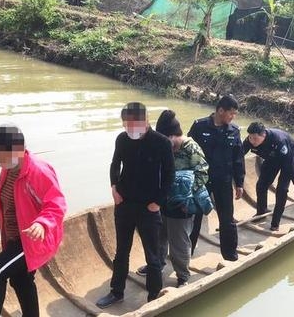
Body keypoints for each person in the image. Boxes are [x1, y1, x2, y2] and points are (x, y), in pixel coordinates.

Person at [0, 124, 67, 317]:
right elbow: (0, 196)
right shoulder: (9, 170)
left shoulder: (39, 171)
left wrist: (42, 223)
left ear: (17, 150)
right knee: (21, 280)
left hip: (33, 241)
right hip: (16, 238)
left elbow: (56, 205)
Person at [96, 102, 175, 308]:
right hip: (124, 203)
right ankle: (116, 291)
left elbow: (169, 175)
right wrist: (114, 188)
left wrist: (158, 202)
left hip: (149, 207)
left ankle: (153, 296)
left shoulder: (161, 143)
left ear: (146, 120)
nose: (130, 129)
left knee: (152, 254)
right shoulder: (122, 139)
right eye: (126, 125)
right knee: (121, 251)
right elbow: (115, 164)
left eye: (133, 124)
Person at [136, 110, 209, 288]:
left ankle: (183, 275)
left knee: (179, 242)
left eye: (165, 139)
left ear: (174, 135)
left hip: (182, 204)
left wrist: (186, 197)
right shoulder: (163, 146)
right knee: (159, 237)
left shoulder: (191, 148)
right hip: (162, 201)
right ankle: (157, 264)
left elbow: (203, 174)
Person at [188, 95, 245, 261]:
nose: (233, 117)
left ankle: (230, 255)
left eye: (234, 114)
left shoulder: (234, 131)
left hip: (224, 181)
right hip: (201, 181)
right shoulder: (199, 126)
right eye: (231, 113)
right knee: (195, 218)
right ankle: (186, 254)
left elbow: (238, 159)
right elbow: (187, 151)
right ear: (220, 111)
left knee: (227, 219)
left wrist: (239, 182)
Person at [242, 122, 294, 231]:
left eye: (255, 139)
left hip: (289, 157)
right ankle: (261, 212)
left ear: (263, 135)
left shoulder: (279, 141)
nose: (252, 141)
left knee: (282, 190)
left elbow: (290, 165)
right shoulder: (250, 140)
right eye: (250, 137)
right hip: (272, 158)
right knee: (261, 185)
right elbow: (239, 154)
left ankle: (275, 223)